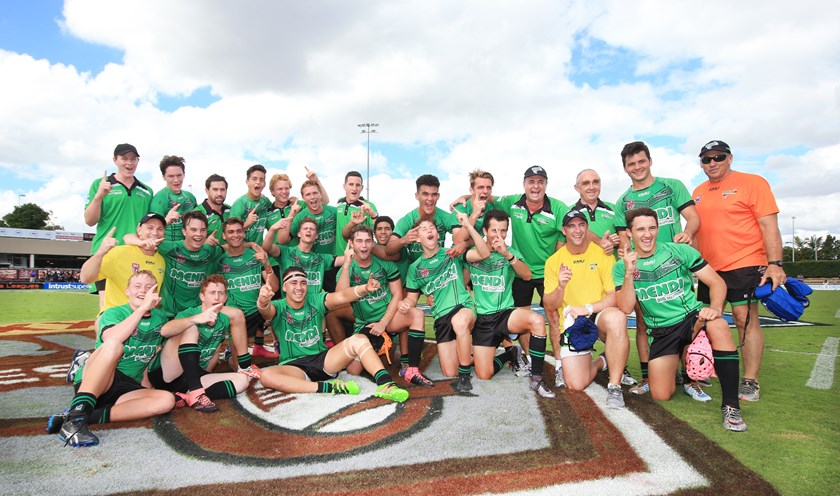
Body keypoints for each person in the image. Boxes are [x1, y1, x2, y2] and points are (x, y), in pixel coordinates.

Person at [612, 208, 746, 431]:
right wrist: (628, 273)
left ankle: (731, 406)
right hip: (661, 332)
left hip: (691, 319)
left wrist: (714, 308)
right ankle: (685, 363)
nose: (647, 234)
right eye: (641, 229)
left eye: (652, 228)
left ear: (658, 229)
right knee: (661, 394)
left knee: (719, 325)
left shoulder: (679, 252)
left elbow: (717, 283)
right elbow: (625, 307)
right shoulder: (621, 267)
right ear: (629, 233)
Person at [693, 140, 787, 402]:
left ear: (730, 158)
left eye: (718, 158)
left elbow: (769, 226)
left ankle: (750, 380)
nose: (712, 163)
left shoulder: (753, 183)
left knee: (744, 318)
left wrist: (775, 263)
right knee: (707, 320)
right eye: (706, 159)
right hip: (709, 268)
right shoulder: (698, 191)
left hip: (745, 261)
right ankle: (704, 369)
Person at [46, 271, 175, 447]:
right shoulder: (114, 312)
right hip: (101, 376)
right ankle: (76, 419)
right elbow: (112, 338)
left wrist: (146, 387)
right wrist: (142, 309)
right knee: (115, 345)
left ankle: (82, 417)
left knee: (166, 400)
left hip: (126, 386)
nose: (143, 291)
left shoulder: (160, 319)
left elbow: (148, 355)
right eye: (137, 286)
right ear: (127, 291)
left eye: (148, 287)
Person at [614, 141, 701, 396]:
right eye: (631, 164)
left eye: (641, 161)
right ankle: (647, 376)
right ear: (625, 168)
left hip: (673, 262)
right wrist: (624, 254)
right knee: (642, 322)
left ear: (649, 161)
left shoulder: (671, 186)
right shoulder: (624, 201)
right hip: (643, 270)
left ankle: (689, 378)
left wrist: (687, 233)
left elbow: (693, 217)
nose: (637, 167)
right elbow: (624, 238)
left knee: (685, 318)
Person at [255, 266, 409, 402]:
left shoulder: (316, 300)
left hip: (323, 361)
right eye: (293, 283)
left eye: (303, 283)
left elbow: (342, 296)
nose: (299, 287)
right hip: (294, 367)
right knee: (266, 376)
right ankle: (327, 388)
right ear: (284, 287)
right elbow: (266, 311)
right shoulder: (278, 306)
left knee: (359, 339)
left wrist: (365, 289)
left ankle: (386, 384)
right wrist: (262, 301)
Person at [543, 209, 630, 408]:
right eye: (572, 226)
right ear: (564, 231)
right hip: (573, 322)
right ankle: (604, 360)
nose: (577, 230)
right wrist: (561, 286)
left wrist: (588, 308)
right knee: (576, 384)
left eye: (581, 225)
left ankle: (615, 386)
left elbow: (613, 296)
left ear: (587, 227)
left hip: (598, 313)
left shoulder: (602, 253)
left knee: (617, 318)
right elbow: (550, 305)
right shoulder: (553, 262)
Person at [465, 209, 554, 398]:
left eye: (503, 230)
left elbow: (527, 275)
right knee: (484, 374)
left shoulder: (510, 252)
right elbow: (467, 273)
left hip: (505, 314)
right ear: (485, 231)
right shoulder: (472, 253)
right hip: (483, 319)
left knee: (537, 321)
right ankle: (510, 353)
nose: (499, 235)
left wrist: (508, 255)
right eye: (494, 230)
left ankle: (537, 378)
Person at [399, 212, 490, 393]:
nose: (429, 231)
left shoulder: (452, 253)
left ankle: (465, 377)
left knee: (459, 322)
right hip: (441, 318)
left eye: (432, 228)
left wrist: (468, 229)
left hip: (463, 307)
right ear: (417, 238)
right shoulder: (415, 268)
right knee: (449, 371)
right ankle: (480, 355)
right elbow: (412, 297)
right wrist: (406, 304)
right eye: (423, 229)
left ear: (438, 235)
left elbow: (484, 253)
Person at [337, 225, 432, 386]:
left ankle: (411, 370)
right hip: (366, 323)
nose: (364, 245)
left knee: (416, 314)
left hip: (389, 318)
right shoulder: (348, 269)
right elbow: (341, 297)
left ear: (373, 243)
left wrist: (384, 322)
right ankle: (377, 348)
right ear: (351, 244)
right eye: (359, 241)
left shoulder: (384, 264)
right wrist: (346, 264)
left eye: (368, 241)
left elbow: (397, 295)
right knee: (353, 371)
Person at [147, 274, 251, 412]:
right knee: (191, 328)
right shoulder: (189, 313)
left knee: (242, 381)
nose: (216, 297)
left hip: (192, 378)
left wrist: (207, 373)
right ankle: (196, 392)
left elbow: (214, 351)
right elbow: (165, 331)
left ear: (226, 298)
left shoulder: (224, 320)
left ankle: (187, 396)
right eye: (212, 293)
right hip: (166, 374)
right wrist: (196, 319)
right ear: (202, 297)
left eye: (221, 293)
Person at [84, 144, 154, 305]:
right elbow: (89, 220)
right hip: (108, 253)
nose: (129, 163)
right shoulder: (101, 184)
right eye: (124, 158)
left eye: (133, 159)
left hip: (135, 255)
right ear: (115, 160)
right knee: (107, 309)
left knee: (136, 307)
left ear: (138, 161)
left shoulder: (146, 190)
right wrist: (99, 196)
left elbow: (149, 226)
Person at [219, 217, 280, 359]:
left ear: (244, 233)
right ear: (224, 235)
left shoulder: (254, 255)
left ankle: (279, 347)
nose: (235, 235)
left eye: (239, 231)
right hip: (237, 315)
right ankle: (230, 352)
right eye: (231, 232)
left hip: (258, 310)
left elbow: (275, 287)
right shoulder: (219, 259)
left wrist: (266, 263)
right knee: (238, 362)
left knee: (279, 309)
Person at [79, 213, 166, 312]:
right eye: (150, 228)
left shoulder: (161, 260)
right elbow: (85, 278)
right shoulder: (119, 253)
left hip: (145, 319)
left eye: (160, 229)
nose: (155, 233)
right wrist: (100, 253)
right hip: (117, 317)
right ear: (139, 230)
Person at [385, 174, 465, 265]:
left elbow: (467, 238)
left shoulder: (445, 217)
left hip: (439, 269)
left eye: (434, 194)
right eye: (425, 194)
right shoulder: (407, 221)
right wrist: (404, 240)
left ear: (438, 196)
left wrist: (464, 244)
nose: (430, 199)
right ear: (417, 196)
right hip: (416, 273)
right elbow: (388, 249)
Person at [570, 169, 621, 256]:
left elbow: (625, 237)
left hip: (611, 267)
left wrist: (616, 242)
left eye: (595, 182)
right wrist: (600, 242)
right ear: (577, 188)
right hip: (581, 268)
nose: (592, 187)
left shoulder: (614, 209)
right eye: (586, 183)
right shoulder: (569, 213)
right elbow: (564, 244)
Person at [150, 155, 198, 242]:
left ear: (184, 174)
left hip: (189, 248)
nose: (176, 180)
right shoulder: (159, 199)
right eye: (171, 176)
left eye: (179, 175)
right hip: (168, 249)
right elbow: (153, 230)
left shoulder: (190, 197)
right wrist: (166, 220)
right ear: (164, 177)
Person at [336, 171, 378, 253]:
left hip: (358, 258)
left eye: (358, 185)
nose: (354, 188)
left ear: (362, 187)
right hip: (338, 256)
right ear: (344, 186)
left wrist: (373, 215)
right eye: (351, 184)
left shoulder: (369, 206)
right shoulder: (339, 203)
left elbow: (377, 233)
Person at [230, 164, 273, 244]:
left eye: (261, 179)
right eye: (254, 179)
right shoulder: (239, 204)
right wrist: (246, 223)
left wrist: (290, 201)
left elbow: (278, 207)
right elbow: (230, 233)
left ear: (265, 184)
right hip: (242, 250)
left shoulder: (265, 201)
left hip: (260, 250)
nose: (258, 182)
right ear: (247, 182)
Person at [195, 174, 231, 245]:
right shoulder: (198, 213)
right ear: (207, 191)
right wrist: (205, 242)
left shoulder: (231, 210)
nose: (219, 193)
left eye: (222, 190)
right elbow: (189, 240)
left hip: (230, 255)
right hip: (209, 255)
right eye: (215, 189)